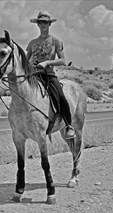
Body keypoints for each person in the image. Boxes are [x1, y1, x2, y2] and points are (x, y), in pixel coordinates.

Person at [26, 11, 75, 139]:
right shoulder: (32, 43)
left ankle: (69, 125)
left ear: (49, 24)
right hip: (33, 77)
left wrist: (47, 62)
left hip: (48, 75)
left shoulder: (56, 41)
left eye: (45, 22)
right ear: (37, 24)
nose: (43, 24)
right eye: (40, 22)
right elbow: (26, 62)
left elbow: (63, 60)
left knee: (60, 96)